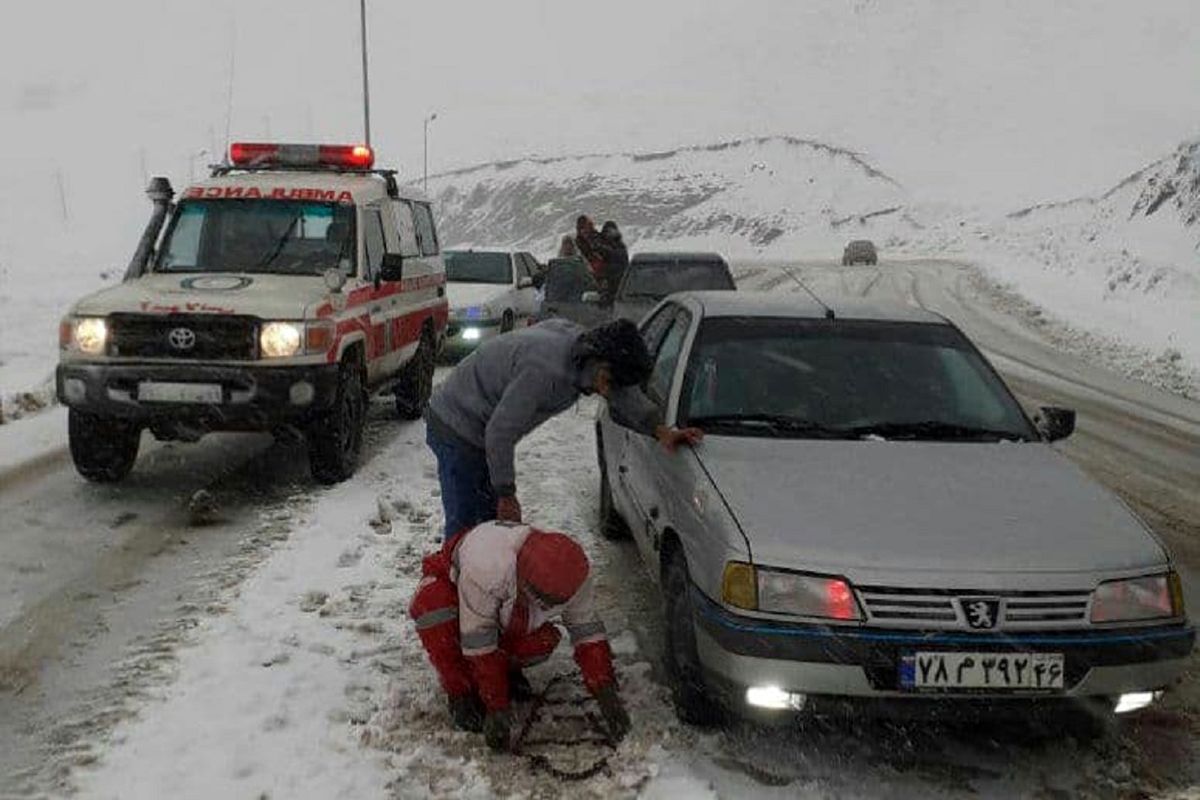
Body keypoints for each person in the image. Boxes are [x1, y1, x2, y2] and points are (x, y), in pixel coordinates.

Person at [425, 317, 702, 540]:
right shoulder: (544, 372)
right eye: (606, 380)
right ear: (599, 362)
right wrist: (507, 493)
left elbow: (620, 393)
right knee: (464, 525)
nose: (604, 391)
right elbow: (500, 432)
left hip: (481, 426)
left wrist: (659, 429)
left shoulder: (583, 350)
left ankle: (482, 586)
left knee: (487, 525)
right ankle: (455, 597)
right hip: (455, 423)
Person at [409, 521, 630, 751]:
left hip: (506, 603)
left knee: (541, 641)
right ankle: (461, 692)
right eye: (543, 601)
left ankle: (507, 673)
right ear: (524, 580)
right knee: (434, 610)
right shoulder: (486, 568)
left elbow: (588, 635)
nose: (548, 607)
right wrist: (496, 707)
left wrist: (605, 693)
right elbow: (479, 645)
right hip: (452, 589)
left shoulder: (573, 573)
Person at [598, 221, 629, 303]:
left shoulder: (620, 246)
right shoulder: (600, 246)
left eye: (611, 231)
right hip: (604, 282)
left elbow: (622, 260)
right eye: (607, 231)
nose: (610, 234)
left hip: (618, 281)